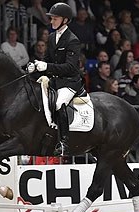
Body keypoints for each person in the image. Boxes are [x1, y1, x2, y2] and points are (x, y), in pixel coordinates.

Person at [27, 2, 83, 156]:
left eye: (55, 19)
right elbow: (47, 60)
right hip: (54, 80)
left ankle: (64, 142)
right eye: (51, 19)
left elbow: (71, 67)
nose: (51, 21)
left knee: (59, 103)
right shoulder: (52, 37)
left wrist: (47, 67)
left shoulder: (73, 40)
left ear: (64, 20)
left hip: (69, 82)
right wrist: (35, 67)